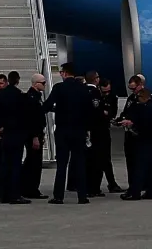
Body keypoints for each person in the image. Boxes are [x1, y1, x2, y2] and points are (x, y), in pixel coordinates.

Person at [42, 62, 93, 204]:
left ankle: (58, 196)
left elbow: (47, 105)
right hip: (79, 131)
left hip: (63, 131)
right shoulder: (83, 89)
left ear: (65, 73)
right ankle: (82, 196)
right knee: (80, 164)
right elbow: (89, 111)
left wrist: (51, 109)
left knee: (62, 165)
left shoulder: (59, 88)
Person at [120, 88, 152, 200]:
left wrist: (131, 125)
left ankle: (135, 192)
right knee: (151, 168)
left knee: (139, 167)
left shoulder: (146, 109)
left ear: (145, 97)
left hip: (143, 141)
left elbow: (143, 125)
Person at [0, 71, 30, 204]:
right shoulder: (19, 95)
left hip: (6, 133)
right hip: (17, 133)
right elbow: (23, 115)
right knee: (16, 165)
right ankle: (15, 194)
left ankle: (3, 194)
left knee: (5, 165)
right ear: (17, 80)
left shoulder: (1, 95)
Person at [115, 75, 144, 195]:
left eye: (134, 88)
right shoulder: (131, 98)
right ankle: (133, 185)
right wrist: (120, 119)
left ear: (141, 85)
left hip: (139, 134)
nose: (133, 91)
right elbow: (126, 112)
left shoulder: (146, 97)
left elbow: (147, 116)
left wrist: (133, 122)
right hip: (129, 134)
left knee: (139, 161)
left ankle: (139, 185)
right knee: (130, 161)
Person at [21, 73, 48, 199]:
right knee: (34, 163)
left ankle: (28, 187)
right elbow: (32, 120)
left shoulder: (36, 96)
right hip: (33, 135)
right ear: (35, 84)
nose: (45, 85)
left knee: (33, 161)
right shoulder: (32, 98)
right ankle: (31, 189)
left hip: (36, 133)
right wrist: (35, 137)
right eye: (43, 83)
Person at [83, 70, 107, 198]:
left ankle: (85, 186)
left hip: (84, 130)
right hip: (96, 131)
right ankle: (94, 188)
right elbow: (97, 111)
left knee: (86, 161)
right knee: (97, 161)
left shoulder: (81, 91)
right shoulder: (95, 93)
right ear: (96, 79)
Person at [99, 77, 124, 193]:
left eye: (108, 91)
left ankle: (111, 182)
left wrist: (105, 113)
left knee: (105, 158)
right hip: (95, 129)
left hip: (104, 129)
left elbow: (112, 113)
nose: (106, 94)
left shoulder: (113, 97)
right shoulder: (95, 95)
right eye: (104, 92)